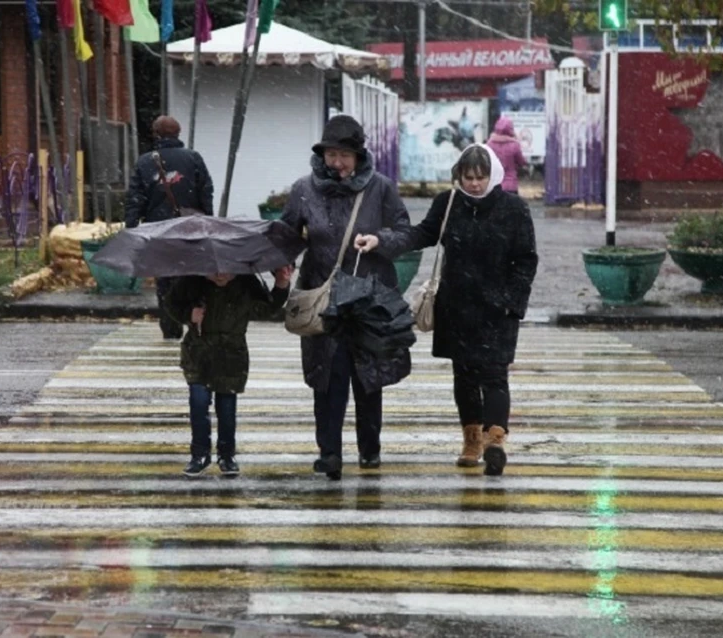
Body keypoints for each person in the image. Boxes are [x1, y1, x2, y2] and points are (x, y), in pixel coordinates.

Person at [354, 144, 538, 476]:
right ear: (459, 177)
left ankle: (494, 440)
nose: (475, 184)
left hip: (498, 311)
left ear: (492, 175)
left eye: (481, 177)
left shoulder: (513, 209)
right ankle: (471, 441)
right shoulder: (448, 203)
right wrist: (382, 241)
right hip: (458, 306)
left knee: (495, 375)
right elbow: (422, 234)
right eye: (468, 177)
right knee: (465, 377)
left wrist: (512, 302)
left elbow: (526, 260)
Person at [280, 114, 413, 481]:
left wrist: (380, 241)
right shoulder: (303, 190)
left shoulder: (380, 188)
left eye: (344, 155)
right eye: (331, 155)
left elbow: (405, 232)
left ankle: (369, 449)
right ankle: (330, 452)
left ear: (358, 156)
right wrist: (283, 266)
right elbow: (286, 236)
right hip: (322, 298)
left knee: (368, 378)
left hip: (368, 299)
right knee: (328, 379)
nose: (337, 163)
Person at [163, 267, 293, 477]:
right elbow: (170, 303)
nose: (220, 275)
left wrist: (281, 285)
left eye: (227, 271)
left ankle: (227, 454)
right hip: (198, 353)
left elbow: (267, 309)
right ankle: (200, 454)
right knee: (198, 404)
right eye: (213, 271)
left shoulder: (245, 282)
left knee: (226, 407)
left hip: (231, 355)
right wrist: (189, 314)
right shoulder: (191, 280)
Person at [125, 115, 214, 339]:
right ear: (178, 133)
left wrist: (132, 227)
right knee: (192, 277)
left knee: (165, 282)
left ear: (156, 134)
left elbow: (135, 197)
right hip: (189, 228)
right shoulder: (193, 158)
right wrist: (208, 219)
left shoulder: (145, 162)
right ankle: (194, 323)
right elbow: (206, 189)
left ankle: (171, 328)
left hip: (159, 230)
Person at [485, 116, 527, 194]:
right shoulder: (514, 145)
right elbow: (522, 162)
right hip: (510, 185)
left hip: (494, 184)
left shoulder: (489, 144)